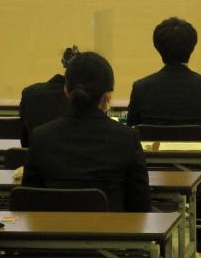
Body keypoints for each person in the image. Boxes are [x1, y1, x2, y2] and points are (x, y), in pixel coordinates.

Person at [127, 16, 201, 254]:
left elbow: (132, 131)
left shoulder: (141, 87)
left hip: (152, 172)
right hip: (196, 174)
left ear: (158, 47)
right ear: (192, 47)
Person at [22, 51, 151, 212]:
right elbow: (141, 205)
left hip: (54, 227)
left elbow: (28, 201)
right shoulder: (127, 138)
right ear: (108, 95)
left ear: (66, 90)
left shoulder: (40, 137)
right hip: (111, 227)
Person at [19, 45, 79, 147]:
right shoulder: (84, 100)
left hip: (37, 155)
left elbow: (25, 141)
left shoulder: (29, 94)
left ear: (63, 63)